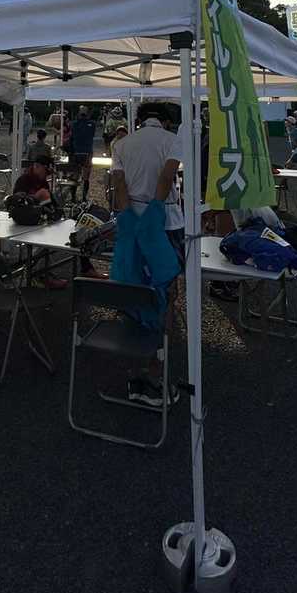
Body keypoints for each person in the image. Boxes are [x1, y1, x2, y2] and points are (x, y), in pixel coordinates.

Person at [110, 101, 184, 408]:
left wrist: (131, 217)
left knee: (134, 291)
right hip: (166, 221)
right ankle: (155, 375)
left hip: (131, 218)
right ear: (165, 121)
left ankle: (135, 374)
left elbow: (118, 184)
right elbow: (167, 178)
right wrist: (154, 210)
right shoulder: (172, 140)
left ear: (140, 120)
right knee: (165, 295)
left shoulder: (122, 144)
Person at [69, 106, 96, 202]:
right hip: (87, 152)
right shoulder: (92, 124)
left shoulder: (74, 124)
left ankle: (73, 197)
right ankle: (84, 198)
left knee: (75, 176)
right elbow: (92, 134)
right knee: (86, 177)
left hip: (76, 152)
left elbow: (72, 135)